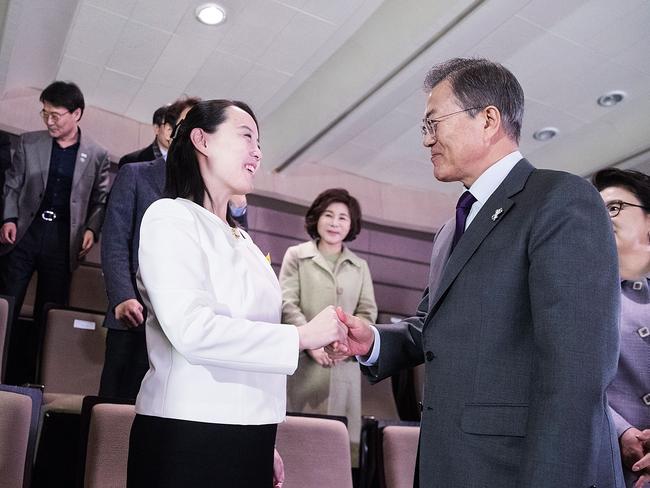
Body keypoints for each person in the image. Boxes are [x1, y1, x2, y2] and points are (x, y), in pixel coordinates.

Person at [329, 58, 624, 487]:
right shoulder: (452, 229)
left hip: (517, 469)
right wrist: (372, 340)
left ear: (488, 119)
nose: (427, 140)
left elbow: (576, 371)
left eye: (434, 123)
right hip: (450, 465)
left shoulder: (560, 200)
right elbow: (432, 326)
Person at [126, 99, 347, 488]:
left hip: (250, 434)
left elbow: (252, 339)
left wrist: (264, 437)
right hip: (187, 434)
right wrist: (302, 336)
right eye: (246, 136)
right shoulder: (169, 217)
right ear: (201, 140)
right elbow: (193, 330)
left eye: (259, 142)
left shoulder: (243, 239)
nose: (258, 151)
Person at [0, 80, 110, 383]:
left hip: (63, 241)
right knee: (7, 304)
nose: (49, 120)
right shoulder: (28, 142)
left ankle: (34, 378)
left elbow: (100, 200)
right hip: (25, 234)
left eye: (56, 115)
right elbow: (12, 186)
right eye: (44, 113)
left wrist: (91, 228)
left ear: (76, 114)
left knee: (49, 313)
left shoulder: (97, 154)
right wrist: (9, 218)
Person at [99, 97, 203, 400]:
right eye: (187, 124)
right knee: (115, 407)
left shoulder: (208, 188)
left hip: (181, 325)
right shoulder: (135, 173)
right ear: (171, 130)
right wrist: (122, 296)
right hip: (134, 314)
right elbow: (115, 239)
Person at [279, 187, 377, 458]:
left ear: (352, 224)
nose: (335, 223)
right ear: (316, 218)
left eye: (343, 217)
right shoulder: (296, 256)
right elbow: (287, 303)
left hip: (343, 365)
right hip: (303, 366)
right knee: (296, 452)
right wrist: (311, 342)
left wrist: (344, 342)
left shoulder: (360, 266)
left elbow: (368, 312)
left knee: (335, 457)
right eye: (329, 215)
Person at [593, 168, 650, 488]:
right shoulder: (580, 295)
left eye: (614, 207)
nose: (603, 217)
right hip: (613, 466)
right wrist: (621, 431)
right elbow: (571, 377)